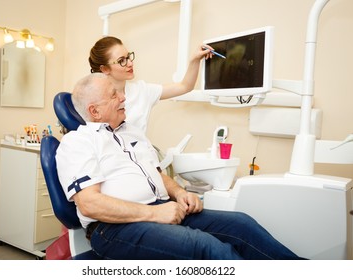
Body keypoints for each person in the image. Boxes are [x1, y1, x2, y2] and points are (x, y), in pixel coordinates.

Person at [56, 73, 305, 260]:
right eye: (113, 94)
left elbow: (157, 174)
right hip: (114, 228)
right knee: (207, 247)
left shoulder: (131, 132)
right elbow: (90, 203)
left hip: (161, 210)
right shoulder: (78, 142)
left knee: (241, 224)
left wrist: (180, 193)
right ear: (94, 111)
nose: (123, 97)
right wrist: (155, 214)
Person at [88, 36, 213, 132]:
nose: (130, 63)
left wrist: (194, 60)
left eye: (129, 57)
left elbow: (185, 86)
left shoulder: (142, 91)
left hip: (140, 159)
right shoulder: (94, 101)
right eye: (122, 61)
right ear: (105, 69)